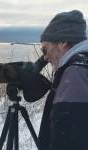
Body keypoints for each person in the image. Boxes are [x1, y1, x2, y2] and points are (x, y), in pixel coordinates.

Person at [38, 10, 88, 150]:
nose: (46, 58)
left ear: (63, 42)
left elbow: (68, 141)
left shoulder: (75, 76)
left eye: (45, 50)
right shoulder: (82, 66)